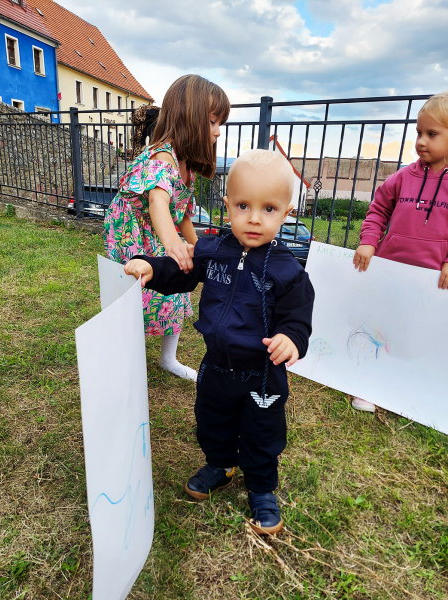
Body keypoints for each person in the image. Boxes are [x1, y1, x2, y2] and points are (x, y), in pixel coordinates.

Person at [125, 149, 315, 534]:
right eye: (243, 206)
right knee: (212, 421)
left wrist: (290, 339)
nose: (255, 218)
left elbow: (298, 320)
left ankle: (262, 488)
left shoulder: (289, 272)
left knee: (263, 433)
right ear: (227, 206)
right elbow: (180, 271)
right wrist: (151, 265)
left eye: (269, 209)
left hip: (262, 375)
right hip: (216, 367)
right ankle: (221, 465)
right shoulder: (214, 251)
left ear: (287, 211)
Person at [103, 75, 230, 381]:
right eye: (213, 121)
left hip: (160, 230)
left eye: (220, 123)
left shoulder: (188, 164)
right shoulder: (163, 156)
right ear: (191, 118)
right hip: (132, 232)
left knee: (175, 288)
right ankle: (120, 355)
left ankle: (167, 358)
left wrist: (197, 249)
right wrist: (173, 246)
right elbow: (158, 202)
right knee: (134, 292)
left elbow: (182, 211)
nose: (218, 131)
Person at [352, 90, 448, 412]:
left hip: (434, 282)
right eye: (419, 133)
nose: (421, 141)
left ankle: (412, 389)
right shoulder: (402, 177)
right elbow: (378, 208)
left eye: (431, 134)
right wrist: (369, 240)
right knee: (383, 329)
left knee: (417, 336)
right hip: (391, 273)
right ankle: (369, 385)